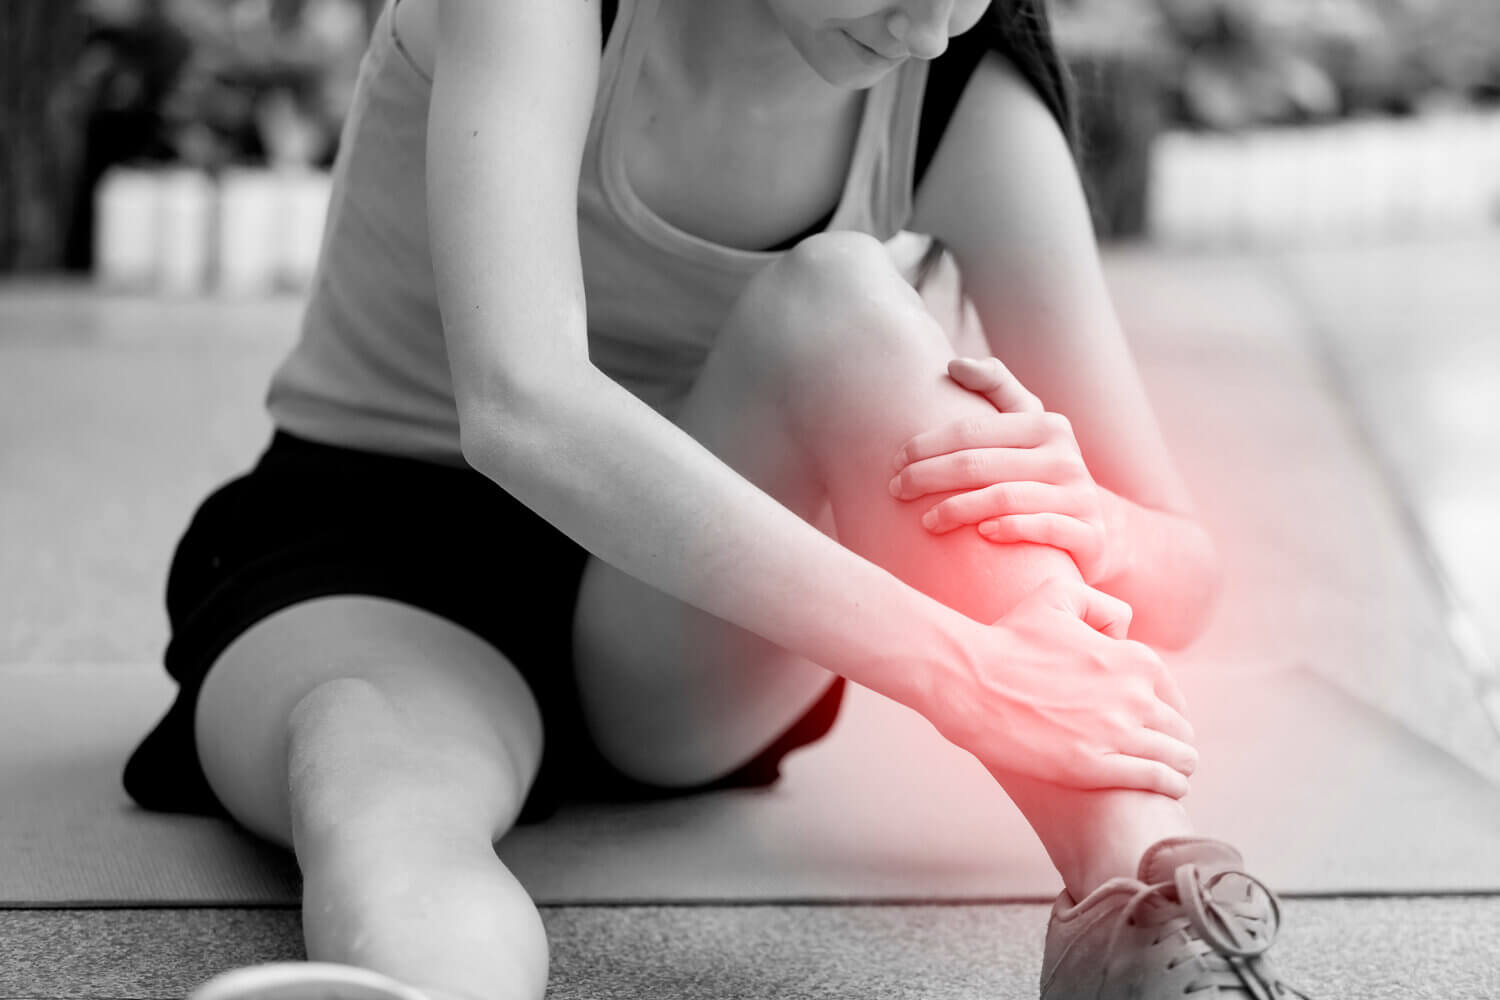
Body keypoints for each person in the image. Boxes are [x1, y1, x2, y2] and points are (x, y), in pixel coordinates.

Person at [123, 0, 1310, 997]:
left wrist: (1096, 520)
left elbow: (1187, 572)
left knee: (846, 301)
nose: (930, 28)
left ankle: (1155, 917)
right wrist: (961, 669)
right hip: (376, 565)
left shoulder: (967, 97)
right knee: (386, 795)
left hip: (684, 621)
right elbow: (521, 404)